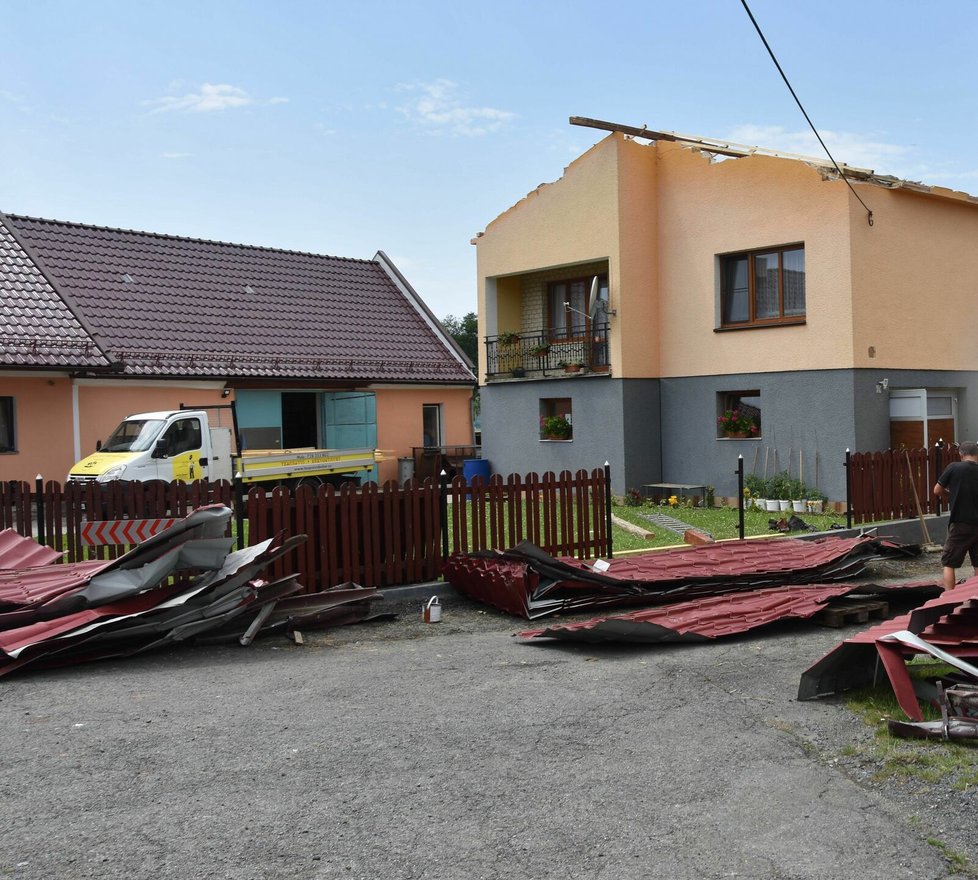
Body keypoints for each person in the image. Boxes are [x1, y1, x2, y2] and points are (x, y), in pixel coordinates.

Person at [933, 440, 978, 590]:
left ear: (960, 454)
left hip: (960, 523)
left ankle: (948, 599)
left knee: (949, 563)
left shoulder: (953, 467)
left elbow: (937, 490)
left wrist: (951, 495)